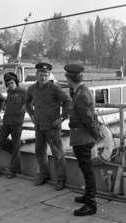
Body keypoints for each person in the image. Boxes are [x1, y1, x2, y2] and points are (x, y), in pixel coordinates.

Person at [25, 63, 72, 190]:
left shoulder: (54, 88)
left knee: (57, 154)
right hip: (39, 126)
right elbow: (27, 101)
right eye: (41, 75)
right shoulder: (32, 89)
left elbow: (68, 101)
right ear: (37, 75)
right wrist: (31, 115)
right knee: (39, 151)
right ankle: (44, 175)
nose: (44, 78)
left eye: (46, 75)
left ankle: (61, 180)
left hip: (52, 126)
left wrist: (62, 118)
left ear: (49, 75)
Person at [65, 64, 101, 216]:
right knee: (86, 169)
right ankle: (87, 196)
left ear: (70, 78)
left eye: (66, 77)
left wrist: (96, 134)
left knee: (87, 172)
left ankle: (91, 205)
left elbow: (88, 119)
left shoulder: (80, 95)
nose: (65, 79)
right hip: (81, 137)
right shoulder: (81, 90)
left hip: (83, 138)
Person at [0, 72, 26, 179]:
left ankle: (13, 171)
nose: (10, 85)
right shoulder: (9, 91)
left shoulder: (23, 92)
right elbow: (6, 100)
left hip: (17, 123)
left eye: (12, 83)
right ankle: (17, 147)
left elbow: (30, 102)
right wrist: (1, 107)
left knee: (15, 147)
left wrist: (24, 109)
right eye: (8, 84)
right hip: (7, 121)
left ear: (16, 82)